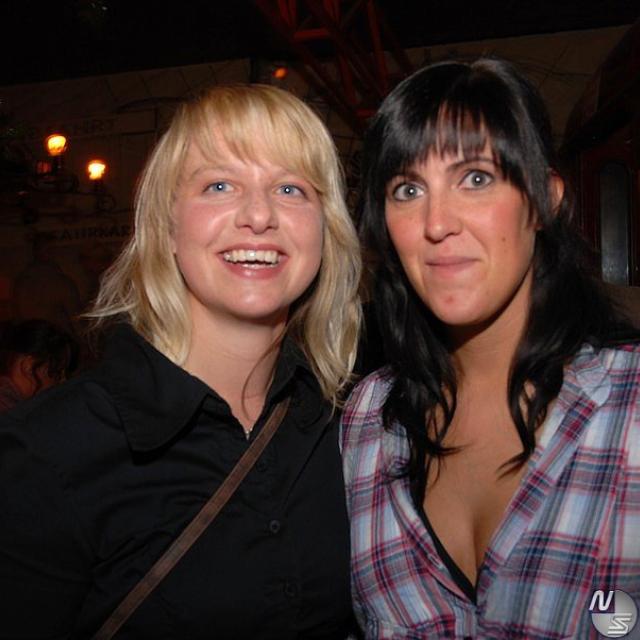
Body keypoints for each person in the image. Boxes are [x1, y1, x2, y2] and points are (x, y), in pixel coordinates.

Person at [0, 84, 361, 638]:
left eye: (291, 188)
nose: (259, 215)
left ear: (325, 229)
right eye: (219, 185)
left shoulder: (351, 432)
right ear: (167, 227)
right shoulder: (48, 451)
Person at [341, 58, 640, 639]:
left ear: (544, 200)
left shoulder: (627, 407)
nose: (436, 223)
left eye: (476, 178)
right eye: (408, 189)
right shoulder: (366, 426)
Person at [0, 318, 78, 412]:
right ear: (28, 366)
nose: (62, 381)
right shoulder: (8, 409)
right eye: (56, 373)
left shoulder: (14, 405)